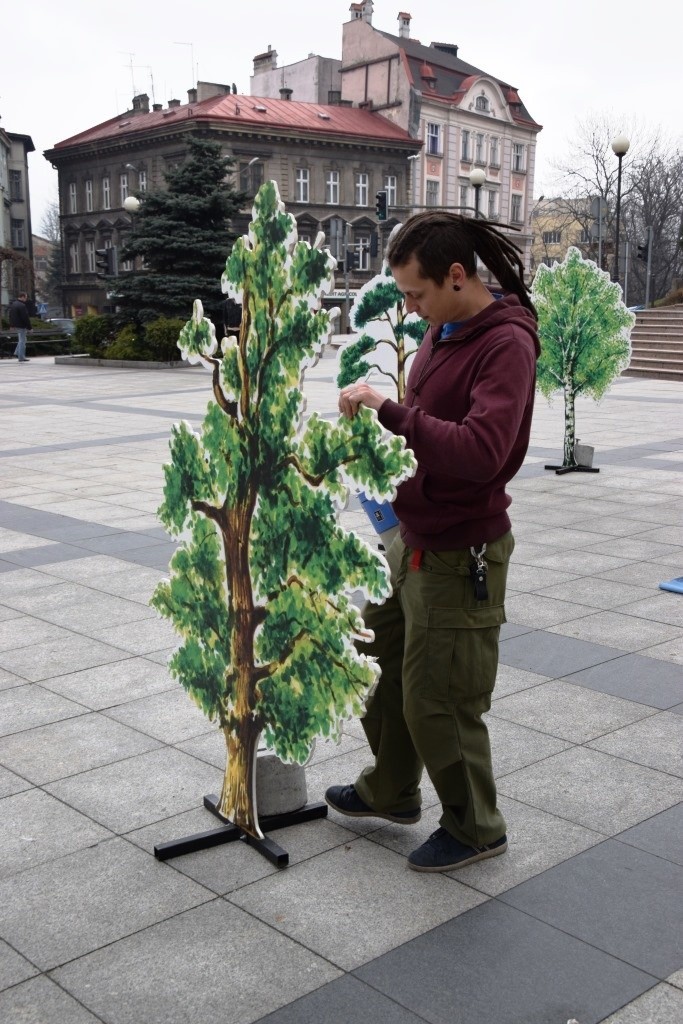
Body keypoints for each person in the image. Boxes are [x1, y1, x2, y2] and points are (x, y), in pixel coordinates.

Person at [326, 212, 540, 872]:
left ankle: (477, 826)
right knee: (369, 655)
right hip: (411, 534)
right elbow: (427, 432)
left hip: (459, 549)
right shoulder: (442, 331)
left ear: (456, 276)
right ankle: (389, 789)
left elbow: (479, 451)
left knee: (437, 697)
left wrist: (391, 411)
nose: (409, 308)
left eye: (415, 294)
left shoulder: (503, 344)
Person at [8, 292, 32, 362]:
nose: (26, 299)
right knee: (22, 341)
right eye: (25, 297)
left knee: (22, 340)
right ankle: (21, 357)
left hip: (16, 325)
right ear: (22, 297)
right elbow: (25, 317)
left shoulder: (13, 304)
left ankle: (17, 352)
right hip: (21, 325)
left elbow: (11, 316)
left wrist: (12, 325)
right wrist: (30, 327)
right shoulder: (22, 306)